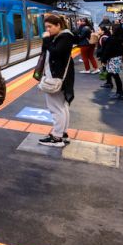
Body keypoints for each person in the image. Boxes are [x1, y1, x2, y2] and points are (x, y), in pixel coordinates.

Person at [36, 15, 75, 147]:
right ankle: (62, 134)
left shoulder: (65, 37)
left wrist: (46, 39)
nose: (47, 29)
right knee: (62, 107)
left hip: (56, 78)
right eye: (46, 27)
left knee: (56, 109)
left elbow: (55, 52)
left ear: (58, 25)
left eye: (50, 27)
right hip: (57, 76)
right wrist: (48, 39)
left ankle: (57, 137)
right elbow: (44, 51)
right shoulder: (59, 37)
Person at [101, 23, 123, 100]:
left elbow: (107, 51)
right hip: (117, 58)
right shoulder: (120, 38)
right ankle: (119, 92)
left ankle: (120, 93)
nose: (110, 30)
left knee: (116, 76)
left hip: (112, 59)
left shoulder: (112, 39)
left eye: (111, 29)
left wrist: (104, 60)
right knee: (116, 75)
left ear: (114, 30)